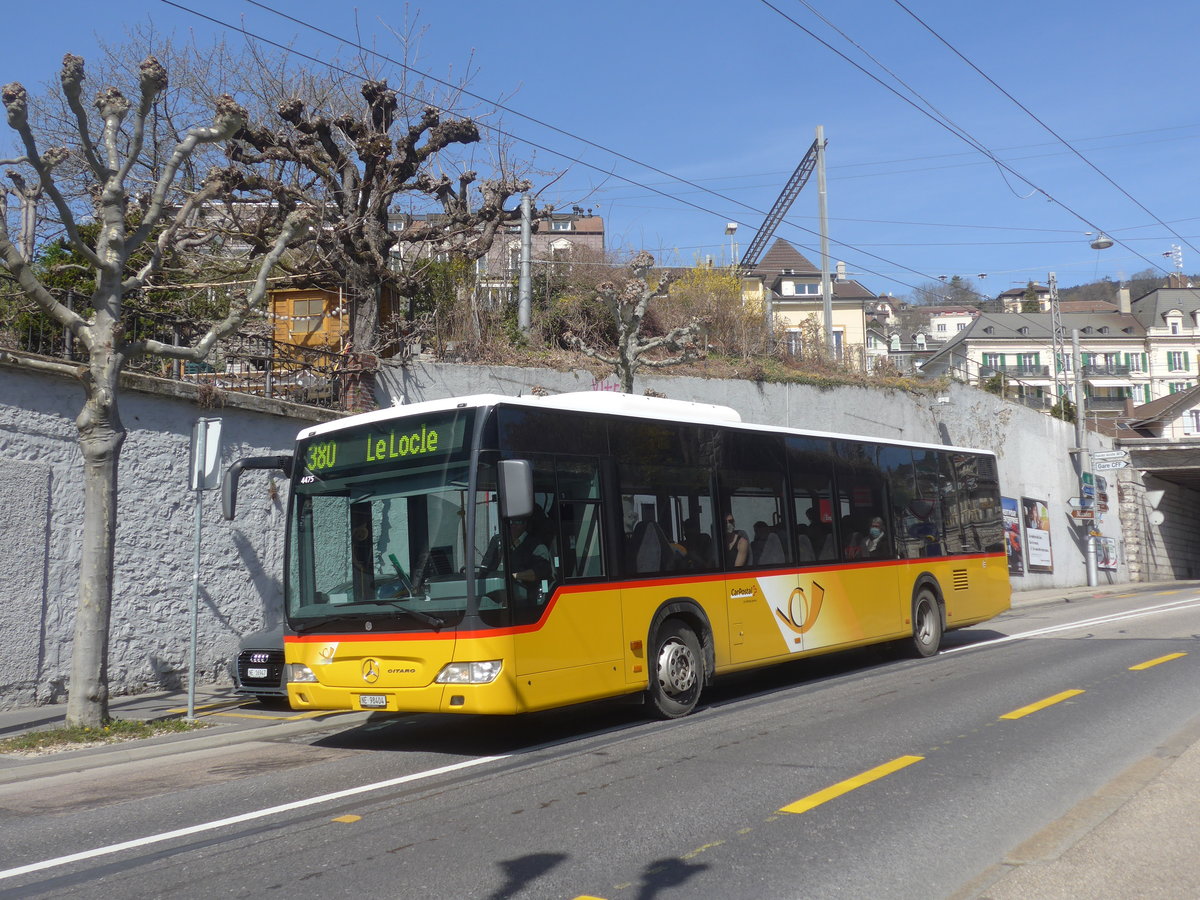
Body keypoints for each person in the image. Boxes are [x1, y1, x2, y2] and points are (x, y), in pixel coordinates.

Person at [482, 517, 552, 598]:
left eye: (517, 522)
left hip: (525, 596)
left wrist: (513, 576)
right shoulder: (498, 541)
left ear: (525, 523)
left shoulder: (537, 546)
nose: (513, 525)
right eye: (510, 522)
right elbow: (485, 569)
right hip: (497, 593)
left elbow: (538, 572)